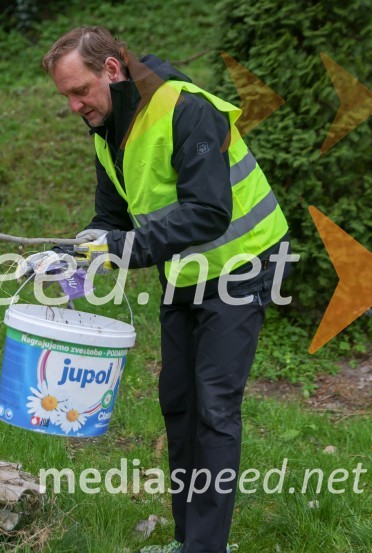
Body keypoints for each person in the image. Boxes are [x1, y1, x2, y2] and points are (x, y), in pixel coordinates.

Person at [24, 26, 292, 553]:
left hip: (242, 265)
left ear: (111, 70)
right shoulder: (108, 126)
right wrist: (73, 257)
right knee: (178, 402)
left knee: (214, 407)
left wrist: (124, 250)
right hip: (187, 273)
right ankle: (189, 539)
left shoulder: (186, 109)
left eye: (80, 91)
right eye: (67, 97)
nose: (75, 105)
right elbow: (111, 217)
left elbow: (210, 211)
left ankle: (206, 548)